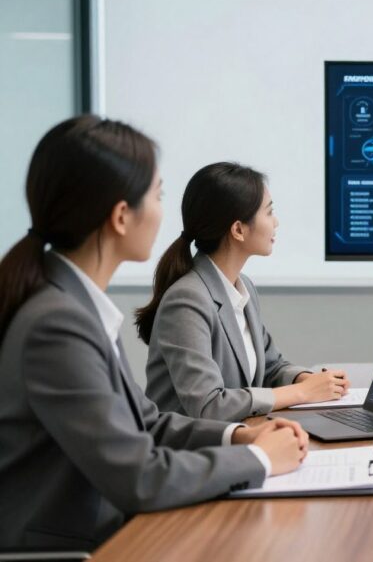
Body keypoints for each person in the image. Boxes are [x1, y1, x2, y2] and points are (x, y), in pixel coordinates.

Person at [0, 116, 308, 551]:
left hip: (109, 529)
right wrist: (259, 459)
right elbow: (137, 477)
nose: (164, 212)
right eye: (158, 195)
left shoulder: (73, 305)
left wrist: (240, 435)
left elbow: (146, 422)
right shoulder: (57, 323)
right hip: (79, 545)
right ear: (122, 216)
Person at [136, 162, 349, 421]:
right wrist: (301, 392)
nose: (276, 222)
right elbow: (209, 405)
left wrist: (312, 381)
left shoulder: (242, 286)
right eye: (269, 212)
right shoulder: (187, 300)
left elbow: (271, 366)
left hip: (235, 440)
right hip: (187, 453)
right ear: (238, 229)